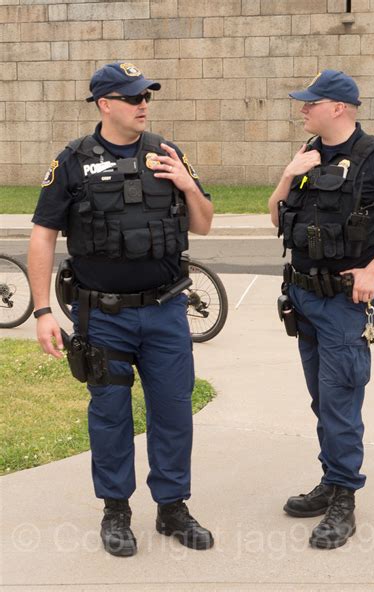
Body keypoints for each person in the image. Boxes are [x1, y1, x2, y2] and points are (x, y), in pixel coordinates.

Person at [28, 62, 214, 557]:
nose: (143, 104)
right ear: (104, 104)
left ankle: (172, 507)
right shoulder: (72, 161)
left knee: (174, 412)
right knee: (109, 415)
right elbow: (44, 235)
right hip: (103, 317)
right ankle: (116, 510)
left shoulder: (167, 153)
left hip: (165, 313)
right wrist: (43, 311)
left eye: (146, 96)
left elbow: (205, 225)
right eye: (132, 97)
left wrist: (187, 183)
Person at [268, 69, 374, 550]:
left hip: (343, 302)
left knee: (340, 403)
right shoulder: (308, 156)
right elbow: (276, 217)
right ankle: (331, 480)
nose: (302, 109)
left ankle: (344, 499)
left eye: (310, 103)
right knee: (323, 400)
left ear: (338, 107)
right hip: (303, 298)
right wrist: (286, 176)